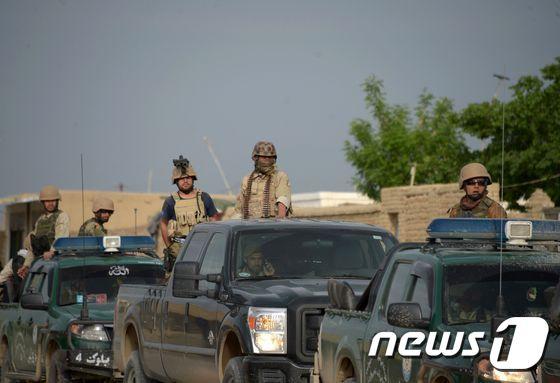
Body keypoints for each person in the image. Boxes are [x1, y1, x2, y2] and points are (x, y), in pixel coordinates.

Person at [160, 156, 219, 265]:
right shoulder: (170, 201)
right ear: (176, 181)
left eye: (188, 178)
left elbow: (214, 219)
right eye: (181, 178)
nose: (185, 181)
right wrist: (170, 247)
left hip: (202, 246)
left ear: (193, 179)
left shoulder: (204, 197)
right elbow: (163, 224)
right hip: (179, 249)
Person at [16, 185, 70, 279]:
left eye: (53, 200)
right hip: (41, 263)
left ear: (57, 201)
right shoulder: (40, 220)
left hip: (55, 262)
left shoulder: (62, 216)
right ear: (43, 202)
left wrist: (51, 252)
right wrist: (26, 265)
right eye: (47, 201)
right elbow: (33, 246)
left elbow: (60, 239)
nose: (50, 203)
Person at [235, 141, 291, 219]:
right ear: (256, 158)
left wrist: (280, 219)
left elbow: (283, 200)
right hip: (250, 225)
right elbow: (239, 208)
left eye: (270, 157)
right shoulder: (247, 179)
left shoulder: (280, 176)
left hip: (273, 224)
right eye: (264, 157)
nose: (267, 160)